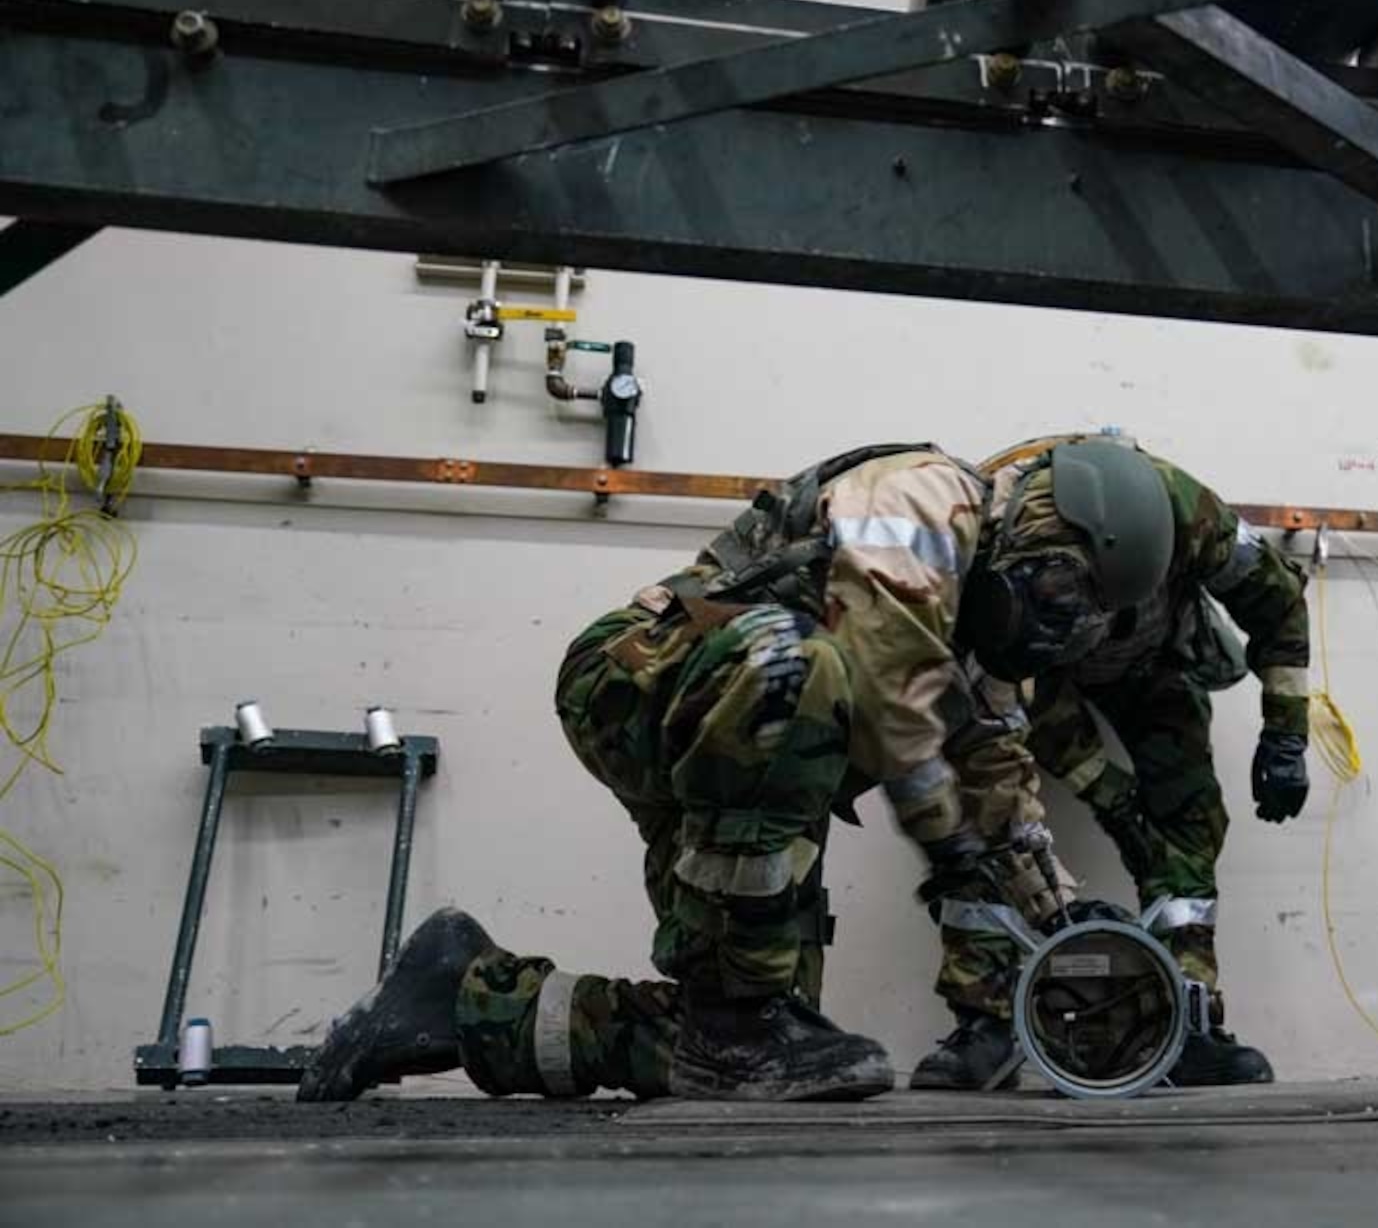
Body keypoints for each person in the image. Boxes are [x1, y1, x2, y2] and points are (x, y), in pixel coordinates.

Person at [298, 439, 1174, 1102]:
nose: (1059, 628)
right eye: (1062, 593)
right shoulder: (925, 498)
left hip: (743, 757)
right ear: (1032, 527)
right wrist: (948, 844)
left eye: (1085, 621)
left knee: (753, 1052)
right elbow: (877, 667)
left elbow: (1001, 797)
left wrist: (1070, 928)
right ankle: (737, 1024)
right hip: (642, 685)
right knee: (804, 665)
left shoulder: (985, 647)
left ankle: (461, 995)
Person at [914, 435, 1311, 1091]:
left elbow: (1277, 602)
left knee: (1188, 816)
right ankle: (984, 1020)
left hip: (1152, 664)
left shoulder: (1194, 515)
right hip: (1035, 676)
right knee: (982, 812)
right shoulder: (990, 534)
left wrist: (1286, 735)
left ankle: (1187, 1017)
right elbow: (996, 708)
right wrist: (1109, 795)